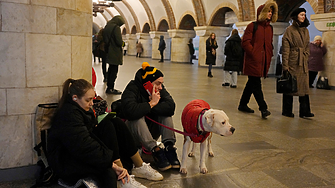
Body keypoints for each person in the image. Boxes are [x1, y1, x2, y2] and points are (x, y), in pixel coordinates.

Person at [47, 78, 165, 188]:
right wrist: (111, 164)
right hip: (66, 162)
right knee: (107, 171)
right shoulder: (69, 115)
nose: (92, 103)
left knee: (115, 123)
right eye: (88, 100)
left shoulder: (80, 108)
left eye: (92, 99)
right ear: (75, 98)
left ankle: (138, 166)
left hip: (80, 151)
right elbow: (84, 146)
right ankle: (122, 177)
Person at [121, 62, 180, 172]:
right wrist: (151, 104)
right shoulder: (132, 88)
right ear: (147, 83)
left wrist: (152, 106)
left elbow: (170, 107)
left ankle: (169, 147)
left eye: (161, 83)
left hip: (150, 130)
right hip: (133, 133)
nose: (161, 87)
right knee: (136, 117)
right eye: (158, 83)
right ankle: (156, 150)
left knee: (165, 113)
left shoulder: (158, 89)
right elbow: (130, 111)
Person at [238, 0, 278, 119]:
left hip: (263, 61)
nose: (270, 14)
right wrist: (254, 53)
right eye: (268, 12)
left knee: (251, 83)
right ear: (262, 12)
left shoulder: (269, 28)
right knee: (256, 84)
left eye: (271, 12)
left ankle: (243, 104)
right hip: (253, 60)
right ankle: (263, 108)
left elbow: (269, 44)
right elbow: (245, 42)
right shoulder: (253, 26)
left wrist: (269, 54)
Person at [281, 8, 314, 118]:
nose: (303, 16)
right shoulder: (289, 30)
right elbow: (286, 49)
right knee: (290, 85)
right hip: (293, 61)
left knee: (304, 87)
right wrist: (285, 66)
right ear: (296, 16)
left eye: (304, 14)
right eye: (301, 14)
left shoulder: (306, 30)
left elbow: (307, 45)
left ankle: (305, 111)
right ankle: (287, 110)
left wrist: (307, 55)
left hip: (303, 61)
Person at [103, 15, 124, 95]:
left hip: (108, 50)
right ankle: (110, 88)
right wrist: (123, 43)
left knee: (110, 69)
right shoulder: (116, 28)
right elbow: (119, 41)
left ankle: (109, 86)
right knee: (114, 71)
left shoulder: (107, 26)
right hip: (114, 52)